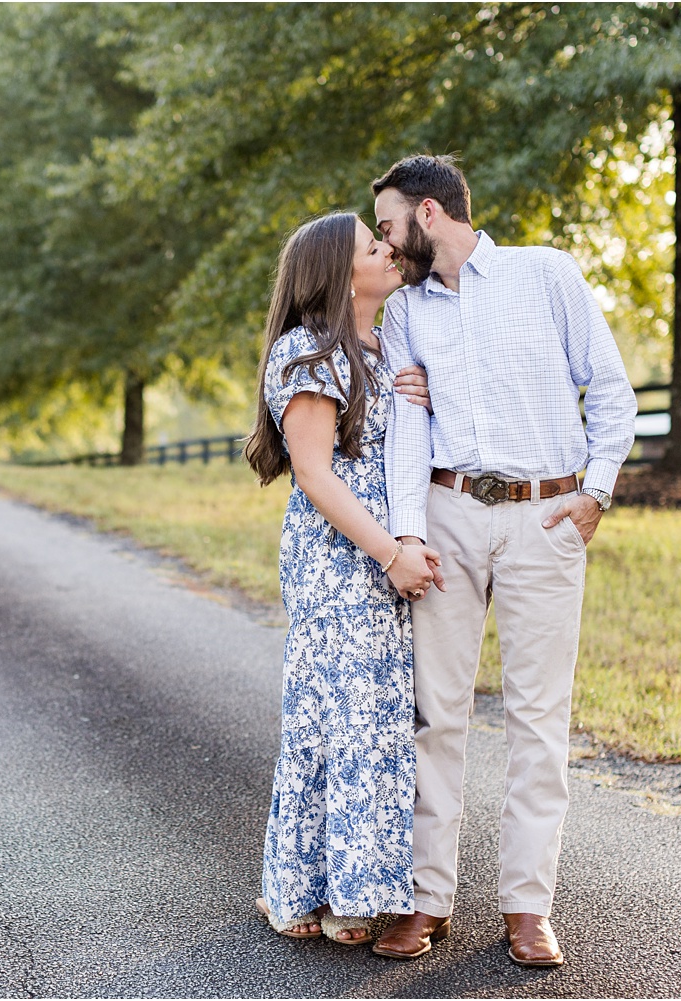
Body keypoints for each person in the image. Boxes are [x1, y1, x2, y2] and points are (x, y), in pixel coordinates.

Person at [368, 154, 637, 967]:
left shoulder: (546, 274)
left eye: (387, 224)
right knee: (437, 712)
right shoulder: (405, 311)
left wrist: (597, 490)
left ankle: (527, 906)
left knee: (536, 717)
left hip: (544, 517)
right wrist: (409, 530)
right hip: (448, 515)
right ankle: (427, 900)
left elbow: (611, 387)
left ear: (428, 214)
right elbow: (410, 425)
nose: (383, 241)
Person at [245, 211, 444, 945]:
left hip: (385, 554)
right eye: (372, 245)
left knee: (372, 720)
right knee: (336, 722)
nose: (389, 250)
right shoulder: (307, 353)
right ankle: (300, 887)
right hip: (338, 558)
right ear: (338, 273)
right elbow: (317, 476)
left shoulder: (385, 346)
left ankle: (350, 889)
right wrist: (391, 553)